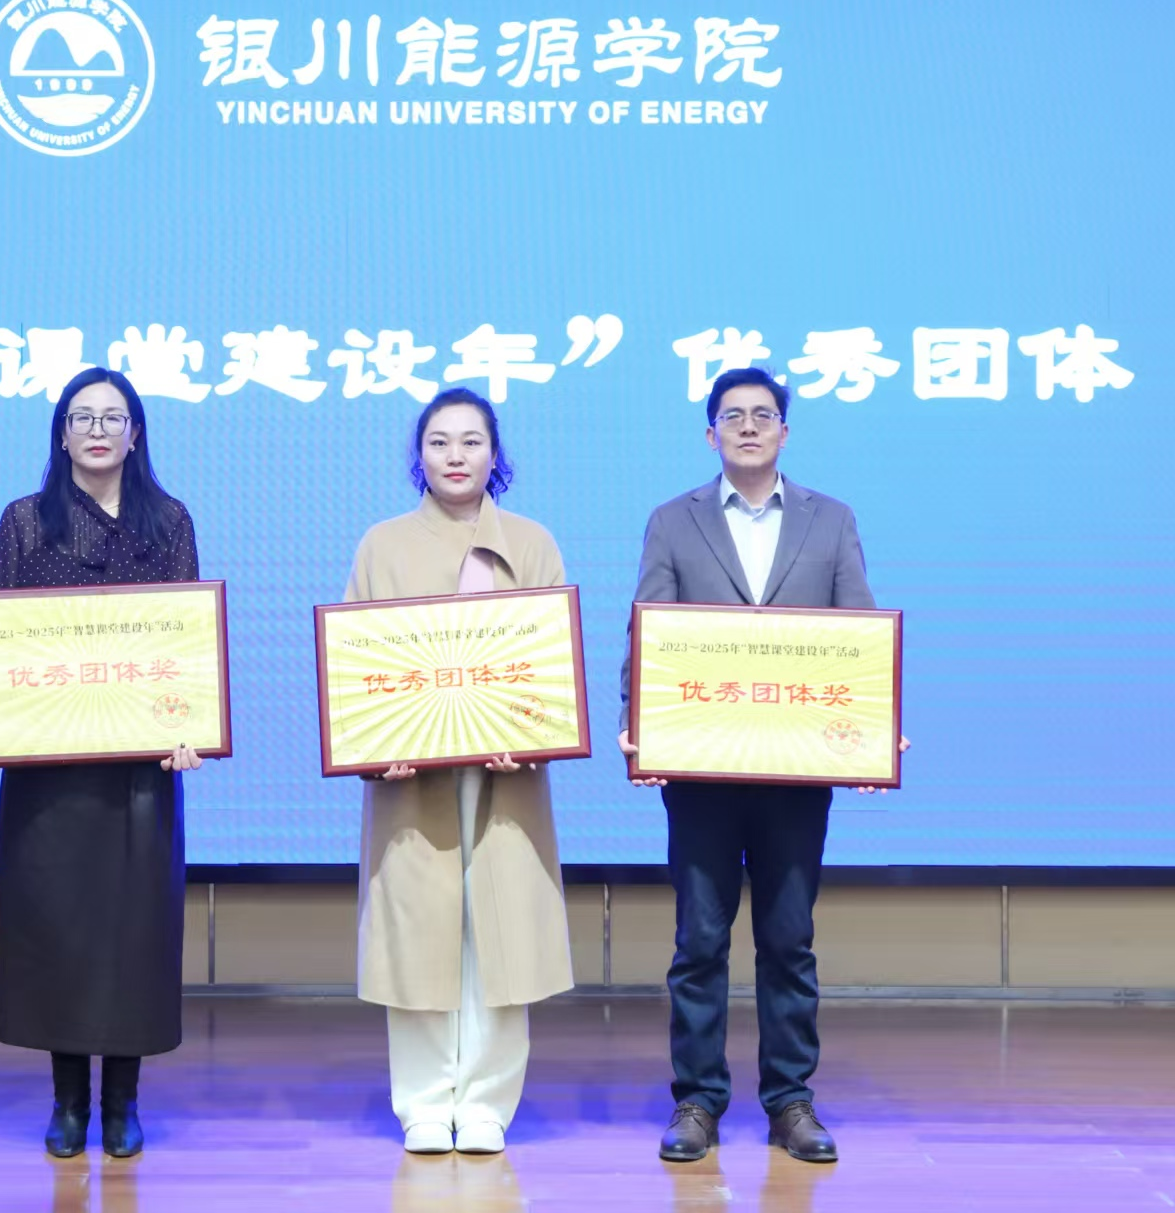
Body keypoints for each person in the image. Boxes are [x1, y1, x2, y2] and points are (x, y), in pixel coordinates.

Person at [617, 367, 906, 1164]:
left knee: (788, 940)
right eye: (732, 415)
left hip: (793, 772)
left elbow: (857, 635)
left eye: (763, 414)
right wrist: (636, 724)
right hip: (700, 768)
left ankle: (789, 1101)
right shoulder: (672, 520)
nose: (748, 425)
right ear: (709, 433)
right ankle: (696, 1102)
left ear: (784, 431)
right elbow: (646, 630)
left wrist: (873, 728)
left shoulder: (830, 519)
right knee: (698, 942)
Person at [0, 367, 203, 1160]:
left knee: (133, 934)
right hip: (48, 771)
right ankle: (67, 1103)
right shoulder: (25, 521)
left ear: (135, 434)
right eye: (81, 417)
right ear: (61, 435)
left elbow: (187, 642)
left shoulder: (170, 520)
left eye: (112, 417)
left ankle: (122, 1102)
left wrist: (191, 728)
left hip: (138, 771)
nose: (97, 430)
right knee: (57, 931)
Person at [345, 387, 575, 1156]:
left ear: (494, 454)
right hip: (411, 777)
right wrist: (377, 742)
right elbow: (357, 668)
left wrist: (533, 735)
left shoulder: (532, 543)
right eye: (439, 441)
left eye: (471, 441)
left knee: (497, 935)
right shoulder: (381, 544)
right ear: (418, 455)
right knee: (419, 931)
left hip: (506, 774)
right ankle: (421, 1101)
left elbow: (549, 664)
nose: (454, 455)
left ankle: (484, 1102)